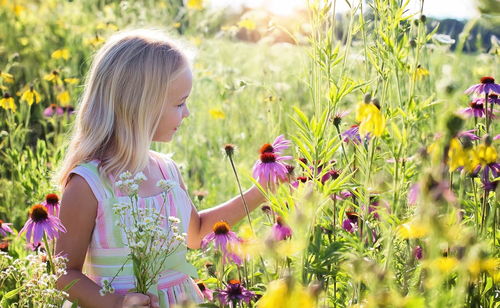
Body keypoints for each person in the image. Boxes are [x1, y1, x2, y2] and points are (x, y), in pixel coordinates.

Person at [55, 29, 267, 308]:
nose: (187, 113)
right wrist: (118, 303)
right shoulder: (88, 184)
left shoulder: (167, 170)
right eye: (180, 104)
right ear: (140, 106)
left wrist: (260, 191)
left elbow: (196, 233)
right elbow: (64, 275)